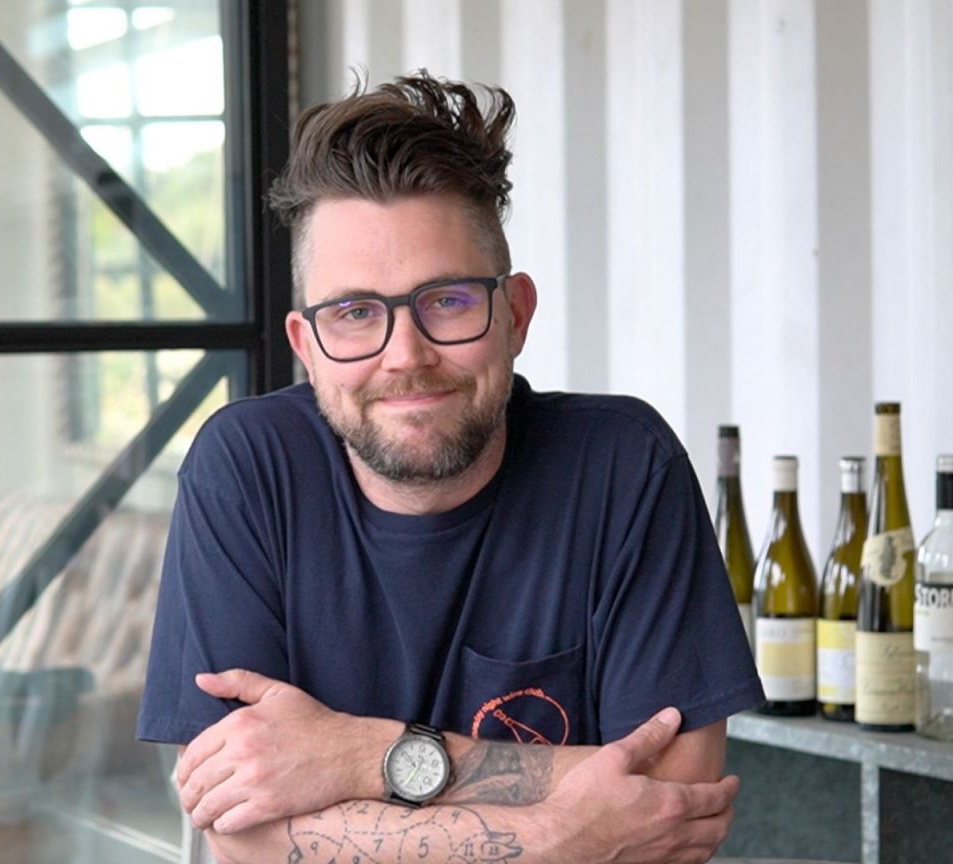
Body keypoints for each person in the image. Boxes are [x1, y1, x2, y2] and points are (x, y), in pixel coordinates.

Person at [136, 70, 763, 864]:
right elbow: (243, 837)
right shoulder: (246, 470)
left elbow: (673, 798)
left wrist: (361, 755)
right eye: (354, 312)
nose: (406, 355)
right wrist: (555, 839)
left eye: (449, 301)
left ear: (515, 314)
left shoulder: (623, 465)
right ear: (306, 346)